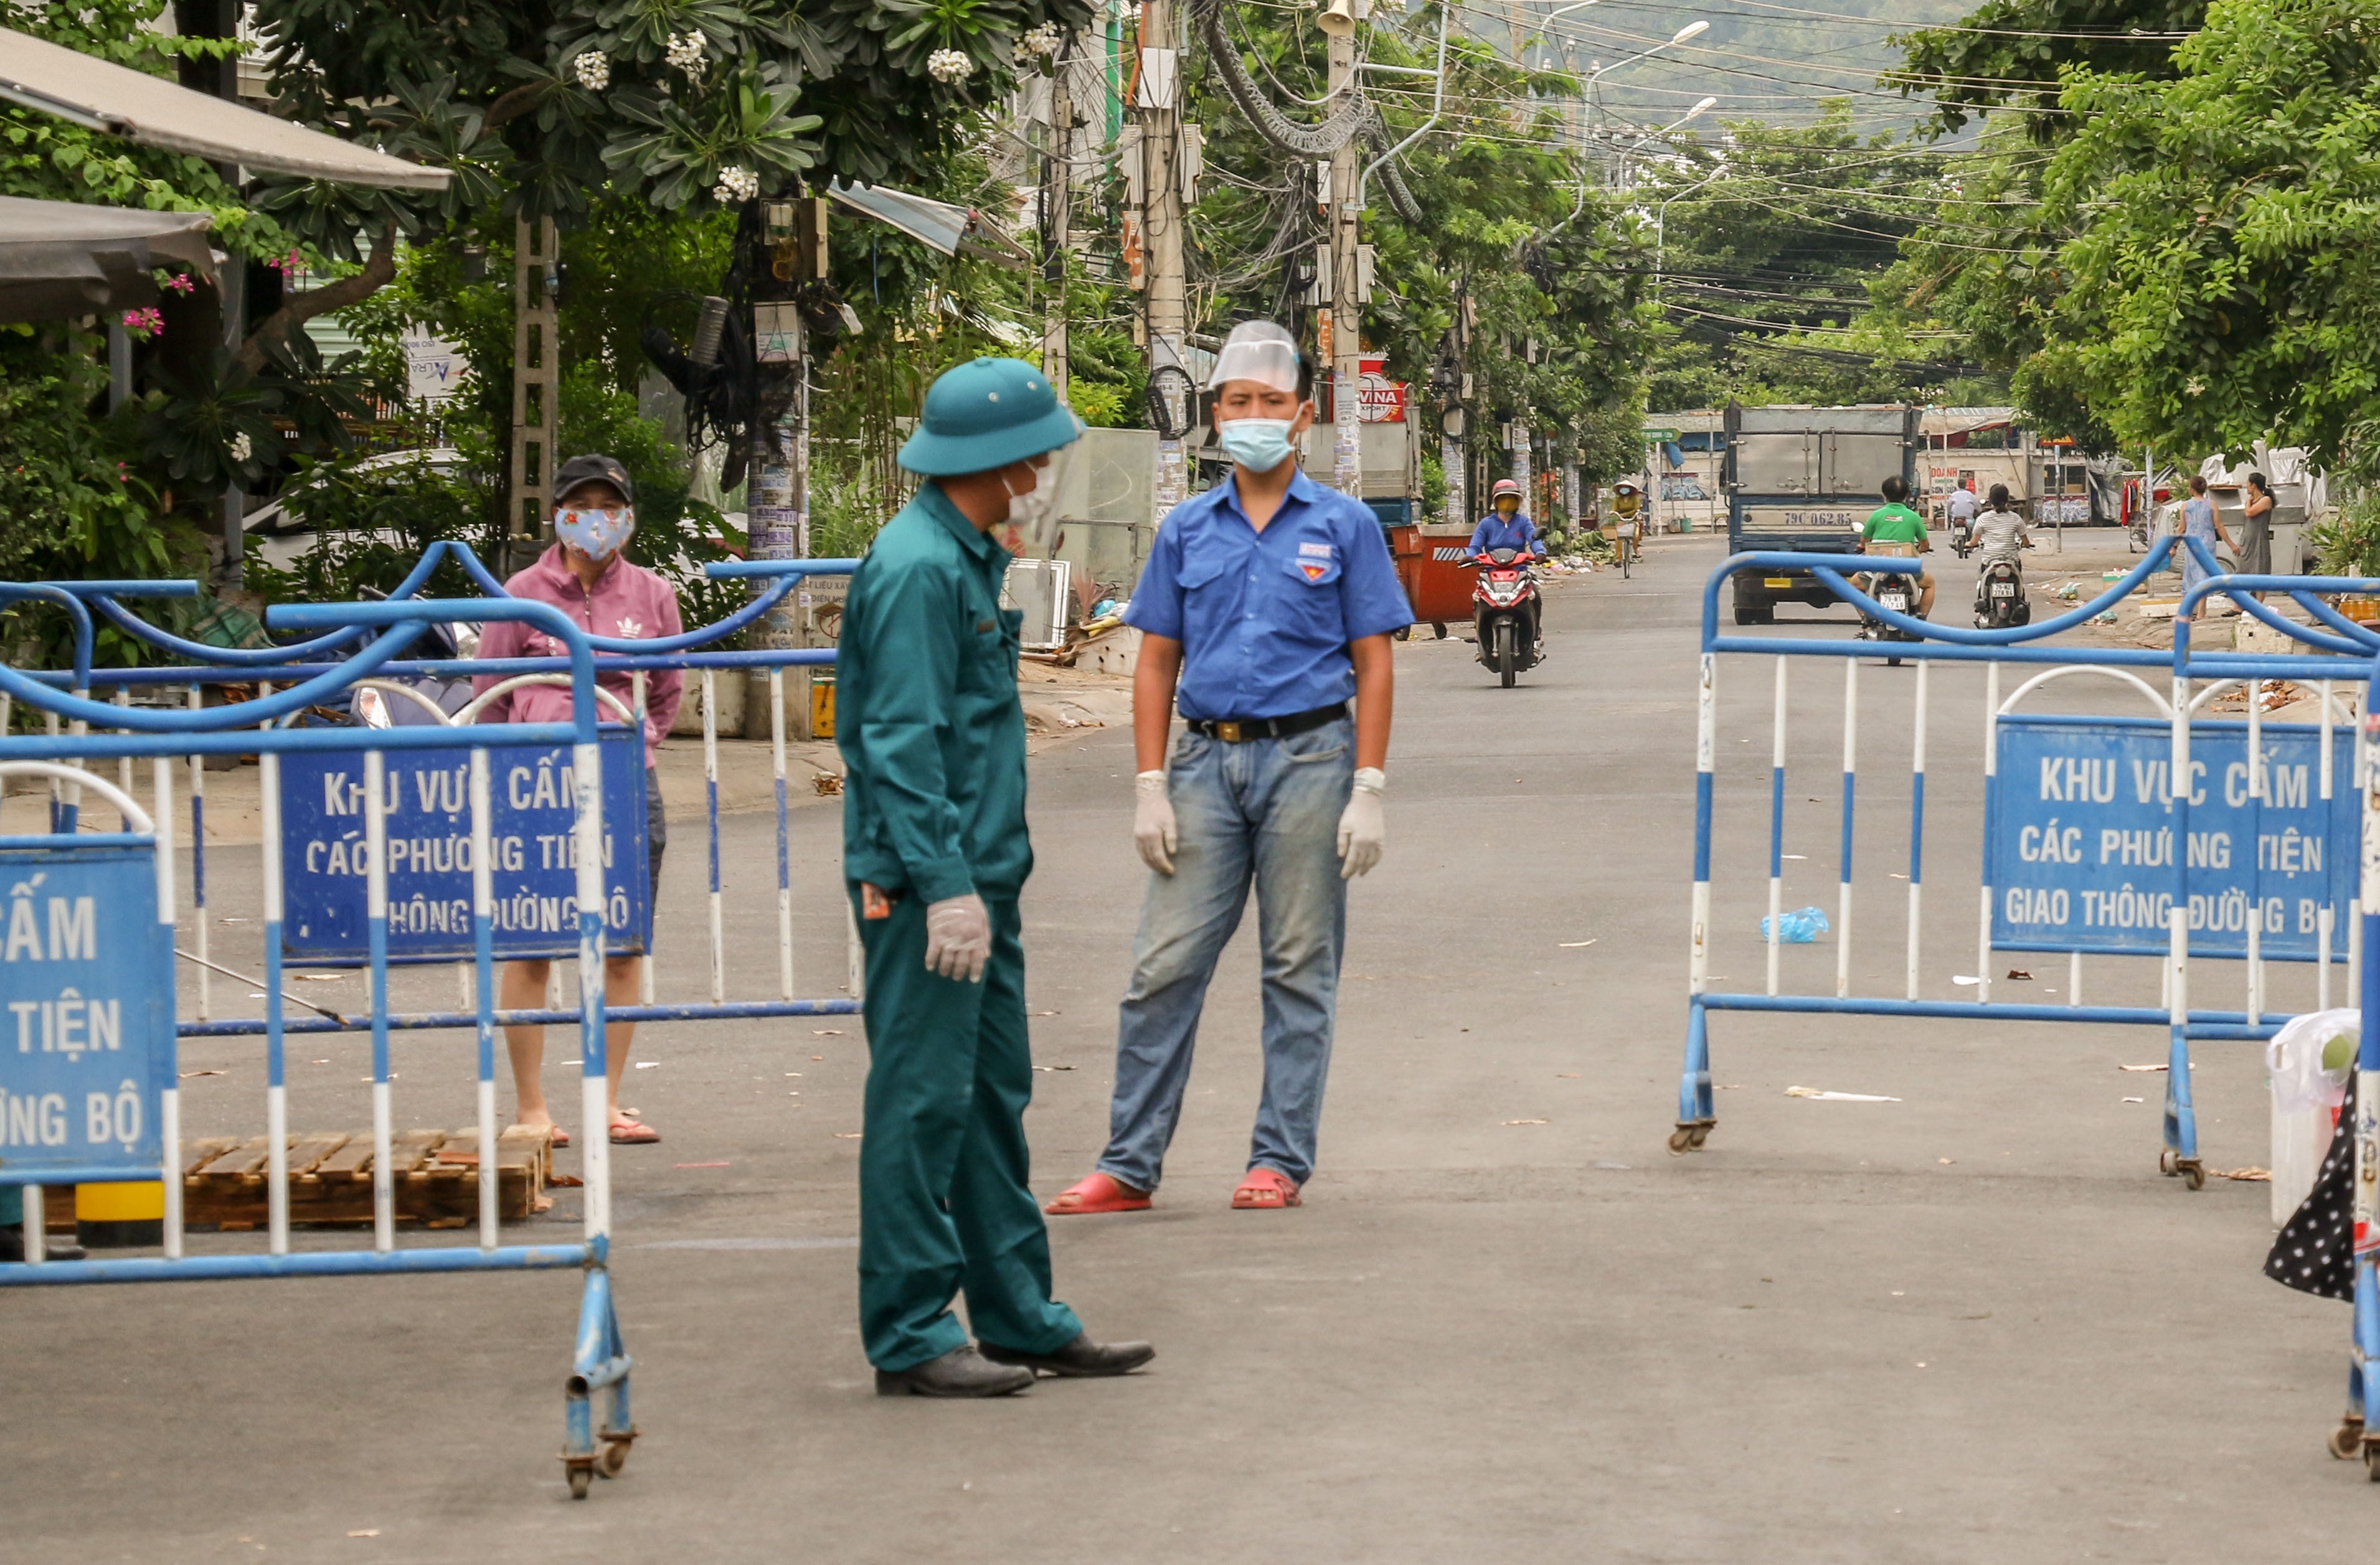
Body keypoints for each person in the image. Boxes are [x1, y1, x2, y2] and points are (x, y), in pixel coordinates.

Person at [1044, 319, 1407, 1219]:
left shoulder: (1345, 524)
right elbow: (1155, 660)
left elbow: (1374, 661)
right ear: (1216, 412)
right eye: (1237, 400)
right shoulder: (1184, 530)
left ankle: (1277, 1159)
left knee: (1296, 966)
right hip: (1203, 761)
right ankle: (1128, 1164)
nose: (1252, 415)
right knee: (1161, 966)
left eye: (1270, 402)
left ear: (1300, 416)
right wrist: (1146, 783)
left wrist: (1368, 785)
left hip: (1313, 760)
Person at [839, 355, 1152, 1398]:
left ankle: (1019, 1312)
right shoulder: (917, 565)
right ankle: (911, 1329)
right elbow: (897, 739)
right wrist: (942, 882)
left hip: (981, 878)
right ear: (1003, 456)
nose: (1047, 467)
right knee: (923, 1102)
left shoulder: (963, 552)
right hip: (932, 886)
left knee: (986, 1101)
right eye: (1039, 450)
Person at [473, 454, 681, 1148]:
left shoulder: (653, 595)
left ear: (627, 516)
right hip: (535, 781)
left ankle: (608, 1100)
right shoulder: (522, 592)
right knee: (532, 946)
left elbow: (667, 689)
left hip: (623, 776)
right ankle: (532, 1107)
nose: (595, 518)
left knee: (621, 946)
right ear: (558, 513)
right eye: (581, 504)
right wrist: (513, 769)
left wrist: (641, 740)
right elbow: (489, 694)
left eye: (609, 505)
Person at [1467, 477, 1546, 653]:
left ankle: (1535, 634)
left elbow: (1534, 540)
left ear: (1518, 502)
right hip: (1491, 573)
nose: (1508, 503)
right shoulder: (1486, 524)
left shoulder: (1523, 522)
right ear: (1496, 502)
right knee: (1478, 599)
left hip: (1519, 573)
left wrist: (1540, 553)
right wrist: (1469, 557)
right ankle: (1480, 634)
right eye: (1503, 499)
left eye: (1512, 499)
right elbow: (1475, 545)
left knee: (1536, 596)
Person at [1859, 474, 1934, 618]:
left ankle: (1866, 621)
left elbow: (1864, 541)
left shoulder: (1876, 515)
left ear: (1884, 495)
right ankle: (1921, 620)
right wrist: (1918, 550)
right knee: (1930, 584)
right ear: (1907, 496)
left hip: (1878, 567)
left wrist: (1864, 546)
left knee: (1854, 586)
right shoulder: (1913, 517)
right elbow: (1925, 544)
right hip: (1906, 568)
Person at [2176, 473, 2236, 623]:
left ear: (2192, 489)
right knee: (2204, 575)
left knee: (2191, 575)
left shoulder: (2185, 506)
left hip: (2191, 543)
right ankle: (2202, 611)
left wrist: (2174, 546)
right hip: (2208, 543)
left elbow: (2181, 528)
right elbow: (2219, 526)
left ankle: (2190, 610)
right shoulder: (2212, 504)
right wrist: (2231, 544)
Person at [2242, 471, 2275, 600]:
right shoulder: (2251, 501)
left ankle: (2259, 603)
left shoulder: (2265, 500)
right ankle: (2241, 604)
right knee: (2244, 571)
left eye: (2248, 485)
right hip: (2248, 540)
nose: (2247, 488)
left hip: (2259, 540)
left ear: (2254, 485)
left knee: (2260, 570)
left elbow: (2250, 513)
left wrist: (2248, 503)